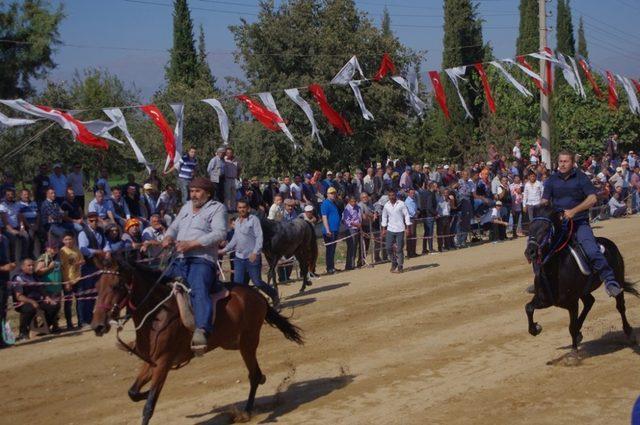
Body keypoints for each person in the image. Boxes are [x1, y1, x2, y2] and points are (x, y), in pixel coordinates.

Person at [542, 151, 622, 297]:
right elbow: (545, 201)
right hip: (559, 226)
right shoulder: (552, 180)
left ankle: (610, 282)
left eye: (566, 161)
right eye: (560, 161)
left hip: (579, 224)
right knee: (539, 249)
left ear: (572, 163)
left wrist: (574, 211)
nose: (563, 164)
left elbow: (592, 199)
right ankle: (540, 281)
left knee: (592, 250)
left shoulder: (580, 177)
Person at [162, 177, 227, 352]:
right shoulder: (185, 208)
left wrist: (193, 243)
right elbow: (174, 227)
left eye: (198, 191)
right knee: (157, 284)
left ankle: (202, 329)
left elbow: (220, 233)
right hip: (179, 258)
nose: (194, 195)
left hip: (202, 259)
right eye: (191, 191)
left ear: (208, 193)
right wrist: (168, 237)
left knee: (198, 288)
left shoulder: (217, 208)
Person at [220, 199, 279, 304]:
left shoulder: (254, 220)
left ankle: (274, 295)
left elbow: (259, 237)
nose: (242, 210)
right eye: (240, 208)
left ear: (248, 208)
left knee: (257, 282)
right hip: (239, 258)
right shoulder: (237, 221)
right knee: (238, 284)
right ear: (237, 209)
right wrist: (223, 250)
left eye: (244, 207)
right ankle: (245, 304)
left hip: (252, 257)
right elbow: (234, 240)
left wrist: (255, 252)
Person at [14, 258, 60, 340]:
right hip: (23, 303)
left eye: (32, 265)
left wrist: (47, 298)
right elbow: (19, 296)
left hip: (38, 300)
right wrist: (32, 302)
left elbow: (41, 289)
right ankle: (23, 332)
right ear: (23, 267)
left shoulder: (35, 276)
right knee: (30, 308)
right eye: (29, 265)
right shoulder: (19, 278)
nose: (31, 267)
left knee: (54, 305)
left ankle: (44, 328)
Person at [78, 212, 106, 327]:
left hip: (98, 265)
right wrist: (97, 252)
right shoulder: (83, 233)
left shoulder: (100, 232)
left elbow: (105, 244)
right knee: (86, 293)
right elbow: (83, 249)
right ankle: (83, 320)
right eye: (91, 221)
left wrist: (106, 251)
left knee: (95, 292)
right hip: (88, 266)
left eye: (95, 220)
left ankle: (90, 317)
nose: (94, 223)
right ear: (87, 221)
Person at [381, 189, 411, 273]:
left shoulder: (401, 204)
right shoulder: (386, 205)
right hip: (390, 229)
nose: (391, 197)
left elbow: (406, 215)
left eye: (393, 195)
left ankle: (400, 265)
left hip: (400, 229)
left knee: (399, 249)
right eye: (390, 195)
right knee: (388, 248)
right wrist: (384, 228)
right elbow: (384, 217)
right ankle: (394, 262)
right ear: (388, 196)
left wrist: (408, 227)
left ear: (395, 195)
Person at [59, 232, 84, 330]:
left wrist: (80, 262)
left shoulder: (76, 249)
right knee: (68, 303)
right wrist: (66, 282)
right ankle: (69, 324)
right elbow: (62, 268)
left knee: (80, 301)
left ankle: (80, 322)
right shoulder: (62, 251)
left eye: (70, 239)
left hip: (78, 278)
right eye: (66, 239)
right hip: (68, 280)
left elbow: (82, 260)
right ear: (63, 241)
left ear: (73, 240)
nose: (68, 241)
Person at [0, 188, 29, 262]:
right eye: (8, 195)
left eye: (12, 194)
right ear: (5, 196)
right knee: (12, 237)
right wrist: (13, 231)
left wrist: (22, 227)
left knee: (25, 235)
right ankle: (12, 259)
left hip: (16, 227)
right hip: (6, 228)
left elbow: (19, 217)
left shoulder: (16, 205)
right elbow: (5, 222)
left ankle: (24, 257)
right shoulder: (2, 206)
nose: (10, 196)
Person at [321, 187, 341, 274]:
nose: (333, 195)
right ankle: (329, 268)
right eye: (331, 193)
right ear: (327, 194)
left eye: (334, 193)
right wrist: (327, 229)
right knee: (330, 249)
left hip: (335, 230)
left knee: (333, 249)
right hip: (329, 231)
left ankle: (332, 266)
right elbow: (324, 217)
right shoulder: (325, 203)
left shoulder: (334, 203)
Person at [342, 196, 361, 270]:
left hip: (357, 229)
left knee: (354, 247)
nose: (353, 203)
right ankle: (349, 265)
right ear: (349, 201)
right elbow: (346, 221)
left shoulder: (357, 207)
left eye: (354, 201)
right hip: (350, 229)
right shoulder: (347, 209)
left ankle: (352, 264)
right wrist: (355, 224)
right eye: (352, 201)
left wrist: (359, 224)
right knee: (351, 247)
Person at [224, 147, 241, 212]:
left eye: (230, 152)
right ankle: (227, 208)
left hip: (234, 179)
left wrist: (238, 176)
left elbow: (239, 168)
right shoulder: (224, 159)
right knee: (227, 195)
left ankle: (233, 208)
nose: (229, 154)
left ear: (232, 153)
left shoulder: (236, 160)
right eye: (227, 152)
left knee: (234, 194)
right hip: (227, 178)